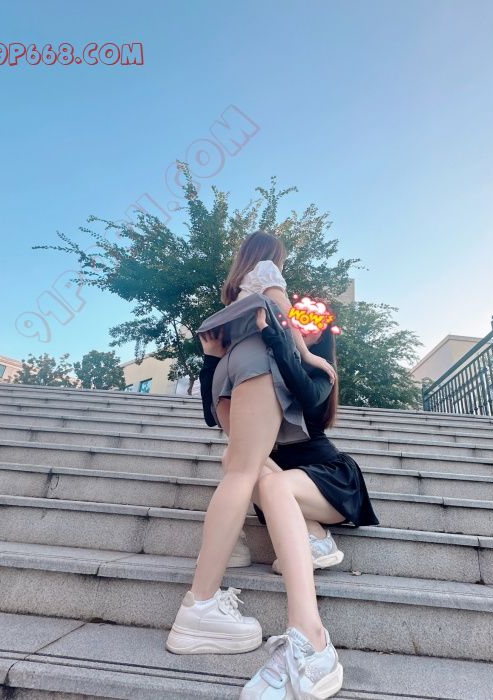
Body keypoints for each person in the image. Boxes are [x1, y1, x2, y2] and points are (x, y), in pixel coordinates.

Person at [166, 231, 336, 665]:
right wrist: (309, 356)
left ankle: (230, 556)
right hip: (260, 359)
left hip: (228, 367)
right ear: (272, 255)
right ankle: (201, 603)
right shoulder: (267, 269)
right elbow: (283, 316)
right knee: (244, 471)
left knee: (240, 463)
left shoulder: (236, 289)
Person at [198, 304, 379, 699]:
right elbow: (217, 418)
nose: (304, 325)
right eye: (297, 319)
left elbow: (307, 396)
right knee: (235, 457)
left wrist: (287, 340)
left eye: (314, 323)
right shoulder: (264, 371)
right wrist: (212, 359)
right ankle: (313, 535)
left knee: (275, 486)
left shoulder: (320, 370)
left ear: (324, 335)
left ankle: (311, 640)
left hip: (329, 479)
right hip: (285, 483)